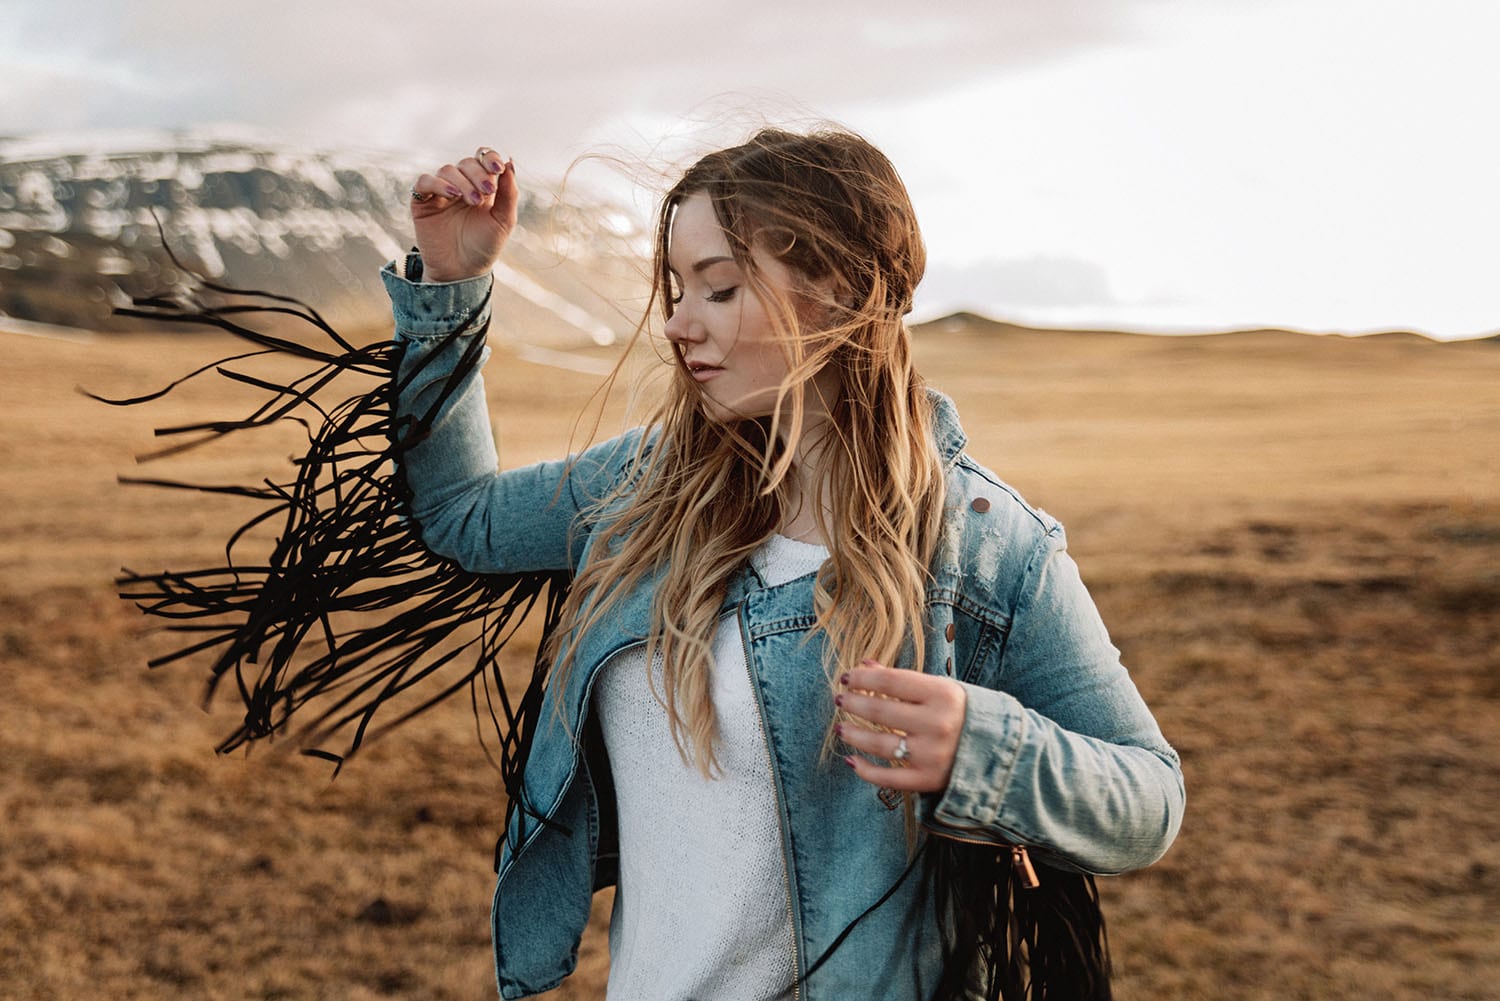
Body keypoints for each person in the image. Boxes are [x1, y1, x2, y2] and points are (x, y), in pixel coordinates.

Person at [384, 128, 1183, 1001]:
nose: (680, 322)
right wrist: (453, 283)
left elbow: (1149, 800)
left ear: (839, 290)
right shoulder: (646, 487)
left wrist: (982, 747)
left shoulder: (988, 545)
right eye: (678, 287)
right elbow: (461, 516)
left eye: (720, 289)